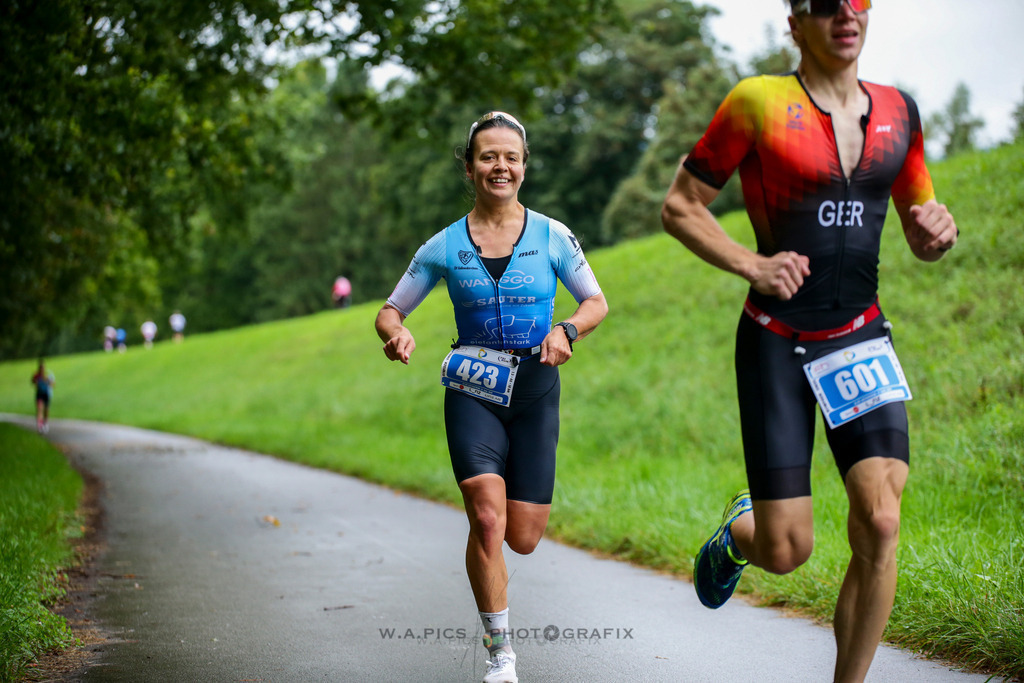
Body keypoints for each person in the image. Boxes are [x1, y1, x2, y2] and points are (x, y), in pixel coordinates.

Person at [660, 2, 958, 681]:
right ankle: (741, 533)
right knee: (787, 549)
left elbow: (920, 231)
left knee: (881, 523)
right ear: (794, 23)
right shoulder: (757, 102)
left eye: (855, 2)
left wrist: (937, 230)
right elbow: (680, 206)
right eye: (822, 5)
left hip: (859, 339)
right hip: (776, 340)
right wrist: (751, 263)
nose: (843, 15)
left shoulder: (899, 112)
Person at [375, 111, 608, 683]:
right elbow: (389, 308)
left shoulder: (554, 235)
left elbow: (595, 302)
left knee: (522, 537)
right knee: (486, 517)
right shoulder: (444, 245)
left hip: (534, 390)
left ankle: (495, 558)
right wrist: (395, 333)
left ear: (524, 166)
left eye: (510, 156)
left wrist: (567, 330)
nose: (499, 166)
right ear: (470, 165)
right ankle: (500, 653)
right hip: (472, 390)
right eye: (488, 156)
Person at [31, 360, 55, 433]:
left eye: (43, 368)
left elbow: (52, 384)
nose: (42, 369)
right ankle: (40, 425)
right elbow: (33, 382)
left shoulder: (47, 375)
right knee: (40, 409)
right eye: (41, 368)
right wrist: (37, 381)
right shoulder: (36, 376)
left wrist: (49, 381)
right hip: (39, 394)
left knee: (46, 410)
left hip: (46, 394)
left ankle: (45, 423)